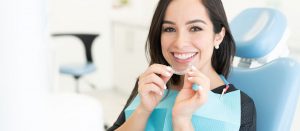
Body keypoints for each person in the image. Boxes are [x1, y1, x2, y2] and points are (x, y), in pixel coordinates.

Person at [108, 0, 256, 130]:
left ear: (218, 36)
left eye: (195, 28)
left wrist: (182, 121)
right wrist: (142, 111)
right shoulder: (149, 84)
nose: (179, 43)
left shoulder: (240, 106)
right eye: (169, 29)